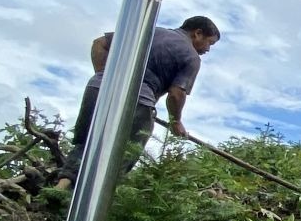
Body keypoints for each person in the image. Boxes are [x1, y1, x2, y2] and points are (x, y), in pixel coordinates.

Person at [54, 15, 220, 189]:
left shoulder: (148, 32)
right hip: (139, 101)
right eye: (210, 43)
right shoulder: (191, 56)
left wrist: (106, 75)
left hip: (98, 89)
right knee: (122, 155)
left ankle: (61, 188)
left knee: (86, 141)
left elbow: (100, 43)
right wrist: (176, 122)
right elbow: (176, 93)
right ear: (198, 33)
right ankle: (90, 201)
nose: (208, 49)